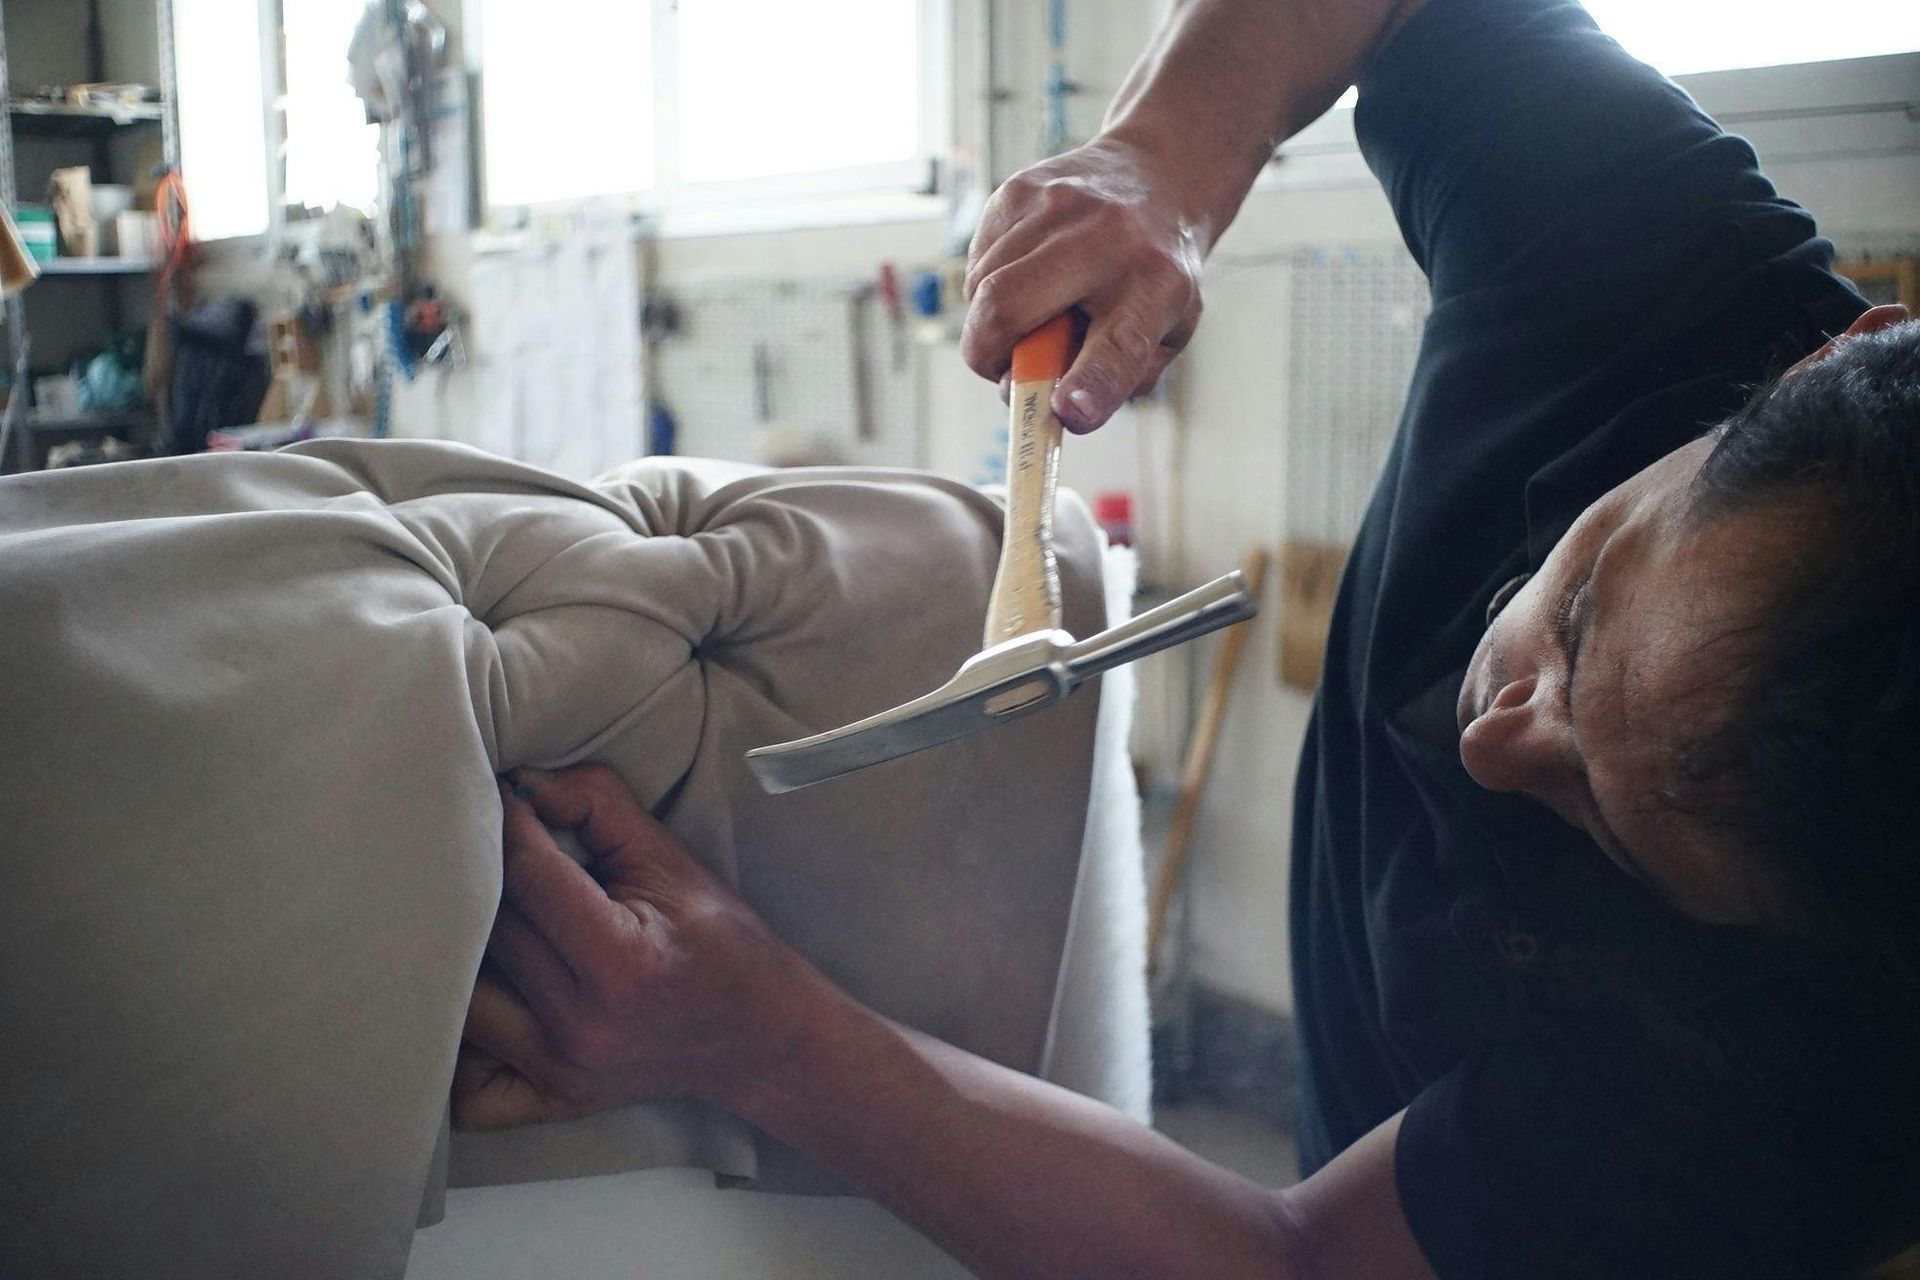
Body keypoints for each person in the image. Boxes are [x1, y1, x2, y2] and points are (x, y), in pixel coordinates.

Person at [456, 0, 1920, 1273]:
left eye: (1603, 816)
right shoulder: (1667, 278)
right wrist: (1161, 164)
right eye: (1590, 603)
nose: (1493, 738)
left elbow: (1297, 1265)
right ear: (1814, 361)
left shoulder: (1821, 1077)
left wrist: (757, 1037)